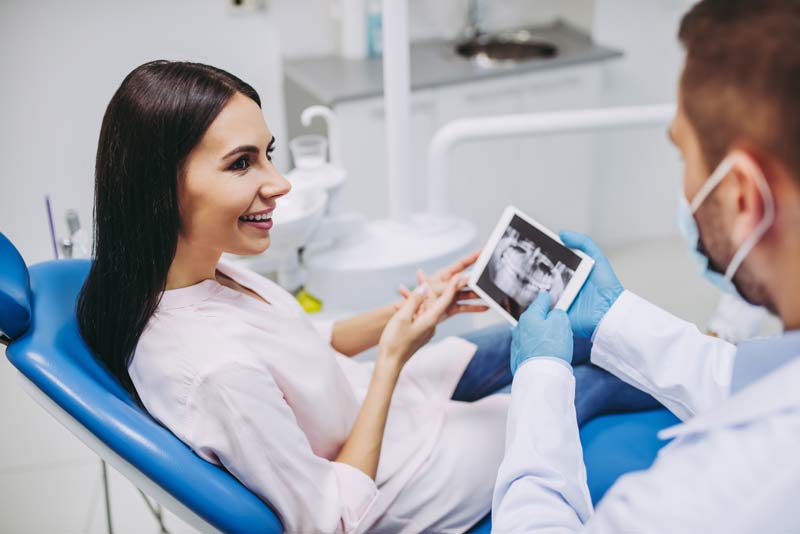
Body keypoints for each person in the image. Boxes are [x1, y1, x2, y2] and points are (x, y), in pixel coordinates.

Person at [76, 60, 657, 533]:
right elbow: (332, 520)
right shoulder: (211, 373)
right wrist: (392, 358)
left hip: (381, 405)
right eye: (242, 164)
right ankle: (723, 395)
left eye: (267, 153)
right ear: (160, 187)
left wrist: (406, 316)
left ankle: (697, 351)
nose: (278, 184)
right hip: (400, 479)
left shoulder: (196, 272)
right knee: (583, 382)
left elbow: (303, 343)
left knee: (547, 326)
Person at [492, 1, 800, 531]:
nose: (685, 184)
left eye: (683, 153)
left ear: (744, 198)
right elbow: (751, 381)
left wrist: (540, 380)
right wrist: (616, 315)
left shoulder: (717, 493)